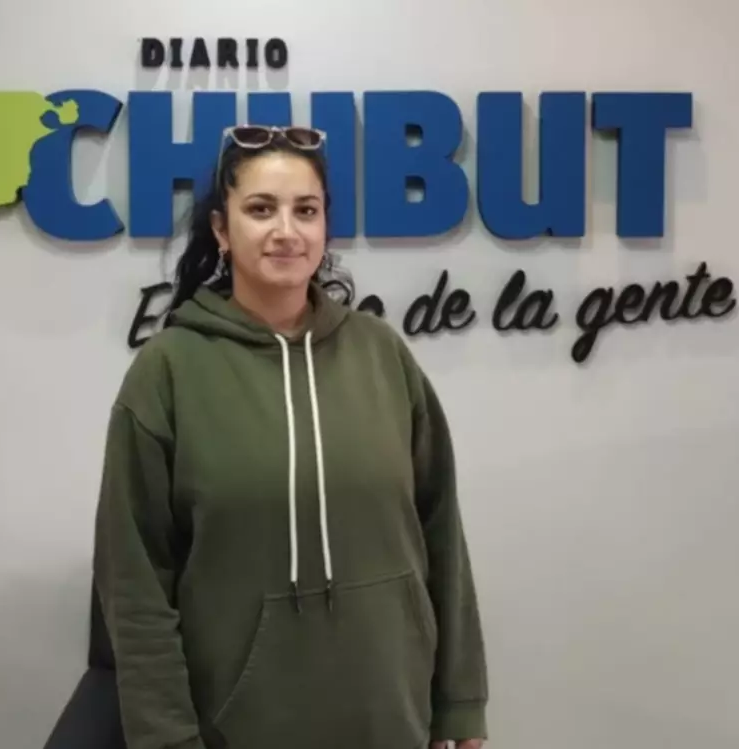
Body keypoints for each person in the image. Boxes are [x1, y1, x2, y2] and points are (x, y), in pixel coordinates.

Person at [92, 124, 489, 749]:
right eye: (260, 209)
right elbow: (134, 580)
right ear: (222, 230)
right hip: (237, 729)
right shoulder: (168, 371)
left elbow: (441, 534)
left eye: (306, 210)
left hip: (392, 717)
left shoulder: (382, 354)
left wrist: (459, 702)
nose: (286, 230)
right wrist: (165, 738)